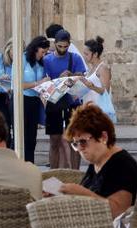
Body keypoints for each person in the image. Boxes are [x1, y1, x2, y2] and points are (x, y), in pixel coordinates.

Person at [60, 104, 137, 220]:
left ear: (103, 137)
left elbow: (119, 212)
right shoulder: (96, 162)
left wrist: (81, 193)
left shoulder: (122, 165)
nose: (79, 149)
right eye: (76, 144)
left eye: (83, 142)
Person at [43, 29, 86, 170]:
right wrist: (59, 79)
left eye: (65, 46)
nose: (62, 49)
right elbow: (45, 82)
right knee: (54, 140)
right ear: (55, 44)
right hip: (54, 102)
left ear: (69, 44)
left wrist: (71, 75)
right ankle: (53, 172)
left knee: (75, 139)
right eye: (60, 46)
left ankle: (75, 173)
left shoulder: (75, 58)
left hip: (72, 102)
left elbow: (81, 77)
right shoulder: (47, 60)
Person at [15, 35, 50, 163]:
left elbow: (42, 85)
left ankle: (30, 164)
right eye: (42, 52)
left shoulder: (41, 63)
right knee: (21, 136)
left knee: (32, 138)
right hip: (22, 100)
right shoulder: (22, 58)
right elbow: (17, 84)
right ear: (35, 48)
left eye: (46, 53)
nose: (44, 55)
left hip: (35, 101)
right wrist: (38, 82)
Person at [79, 37, 113, 118]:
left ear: (95, 54)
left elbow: (105, 92)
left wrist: (92, 87)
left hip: (98, 111)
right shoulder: (91, 68)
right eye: (84, 53)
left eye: (86, 54)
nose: (84, 56)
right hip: (89, 109)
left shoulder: (103, 68)